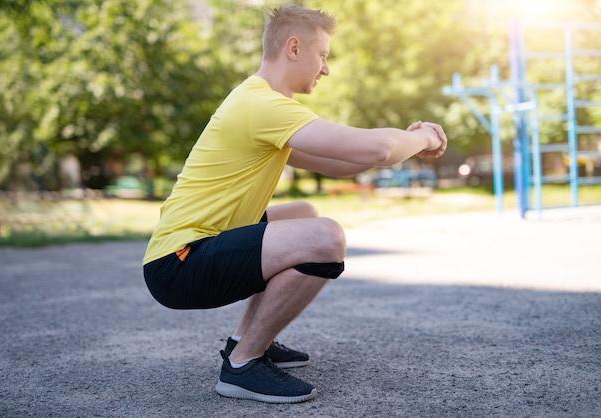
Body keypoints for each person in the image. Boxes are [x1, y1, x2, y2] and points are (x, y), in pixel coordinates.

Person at [142, 4, 447, 404]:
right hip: (179, 263)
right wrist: (424, 137)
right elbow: (378, 146)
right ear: (293, 47)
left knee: (304, 214)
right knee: (326, 238)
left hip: (189, 252)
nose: (326, 69)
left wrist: (400, 145)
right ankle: (241, 366)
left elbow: (345, 162)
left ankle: (245, 341)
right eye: (323, 56)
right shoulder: (262, 106)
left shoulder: (260, 103)